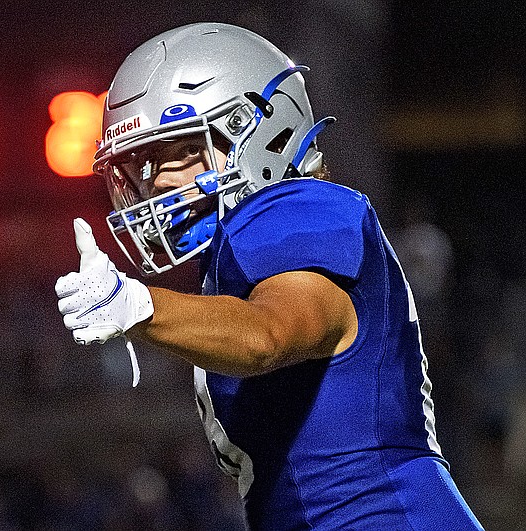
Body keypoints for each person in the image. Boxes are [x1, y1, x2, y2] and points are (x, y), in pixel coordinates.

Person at [55, 22, 483, 530]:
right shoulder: (236, 259)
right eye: (144, 165)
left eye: (180, 153)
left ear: (257, 130)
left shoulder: (297, 209)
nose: (159, 182)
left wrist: (138, 305)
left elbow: (269, 334)